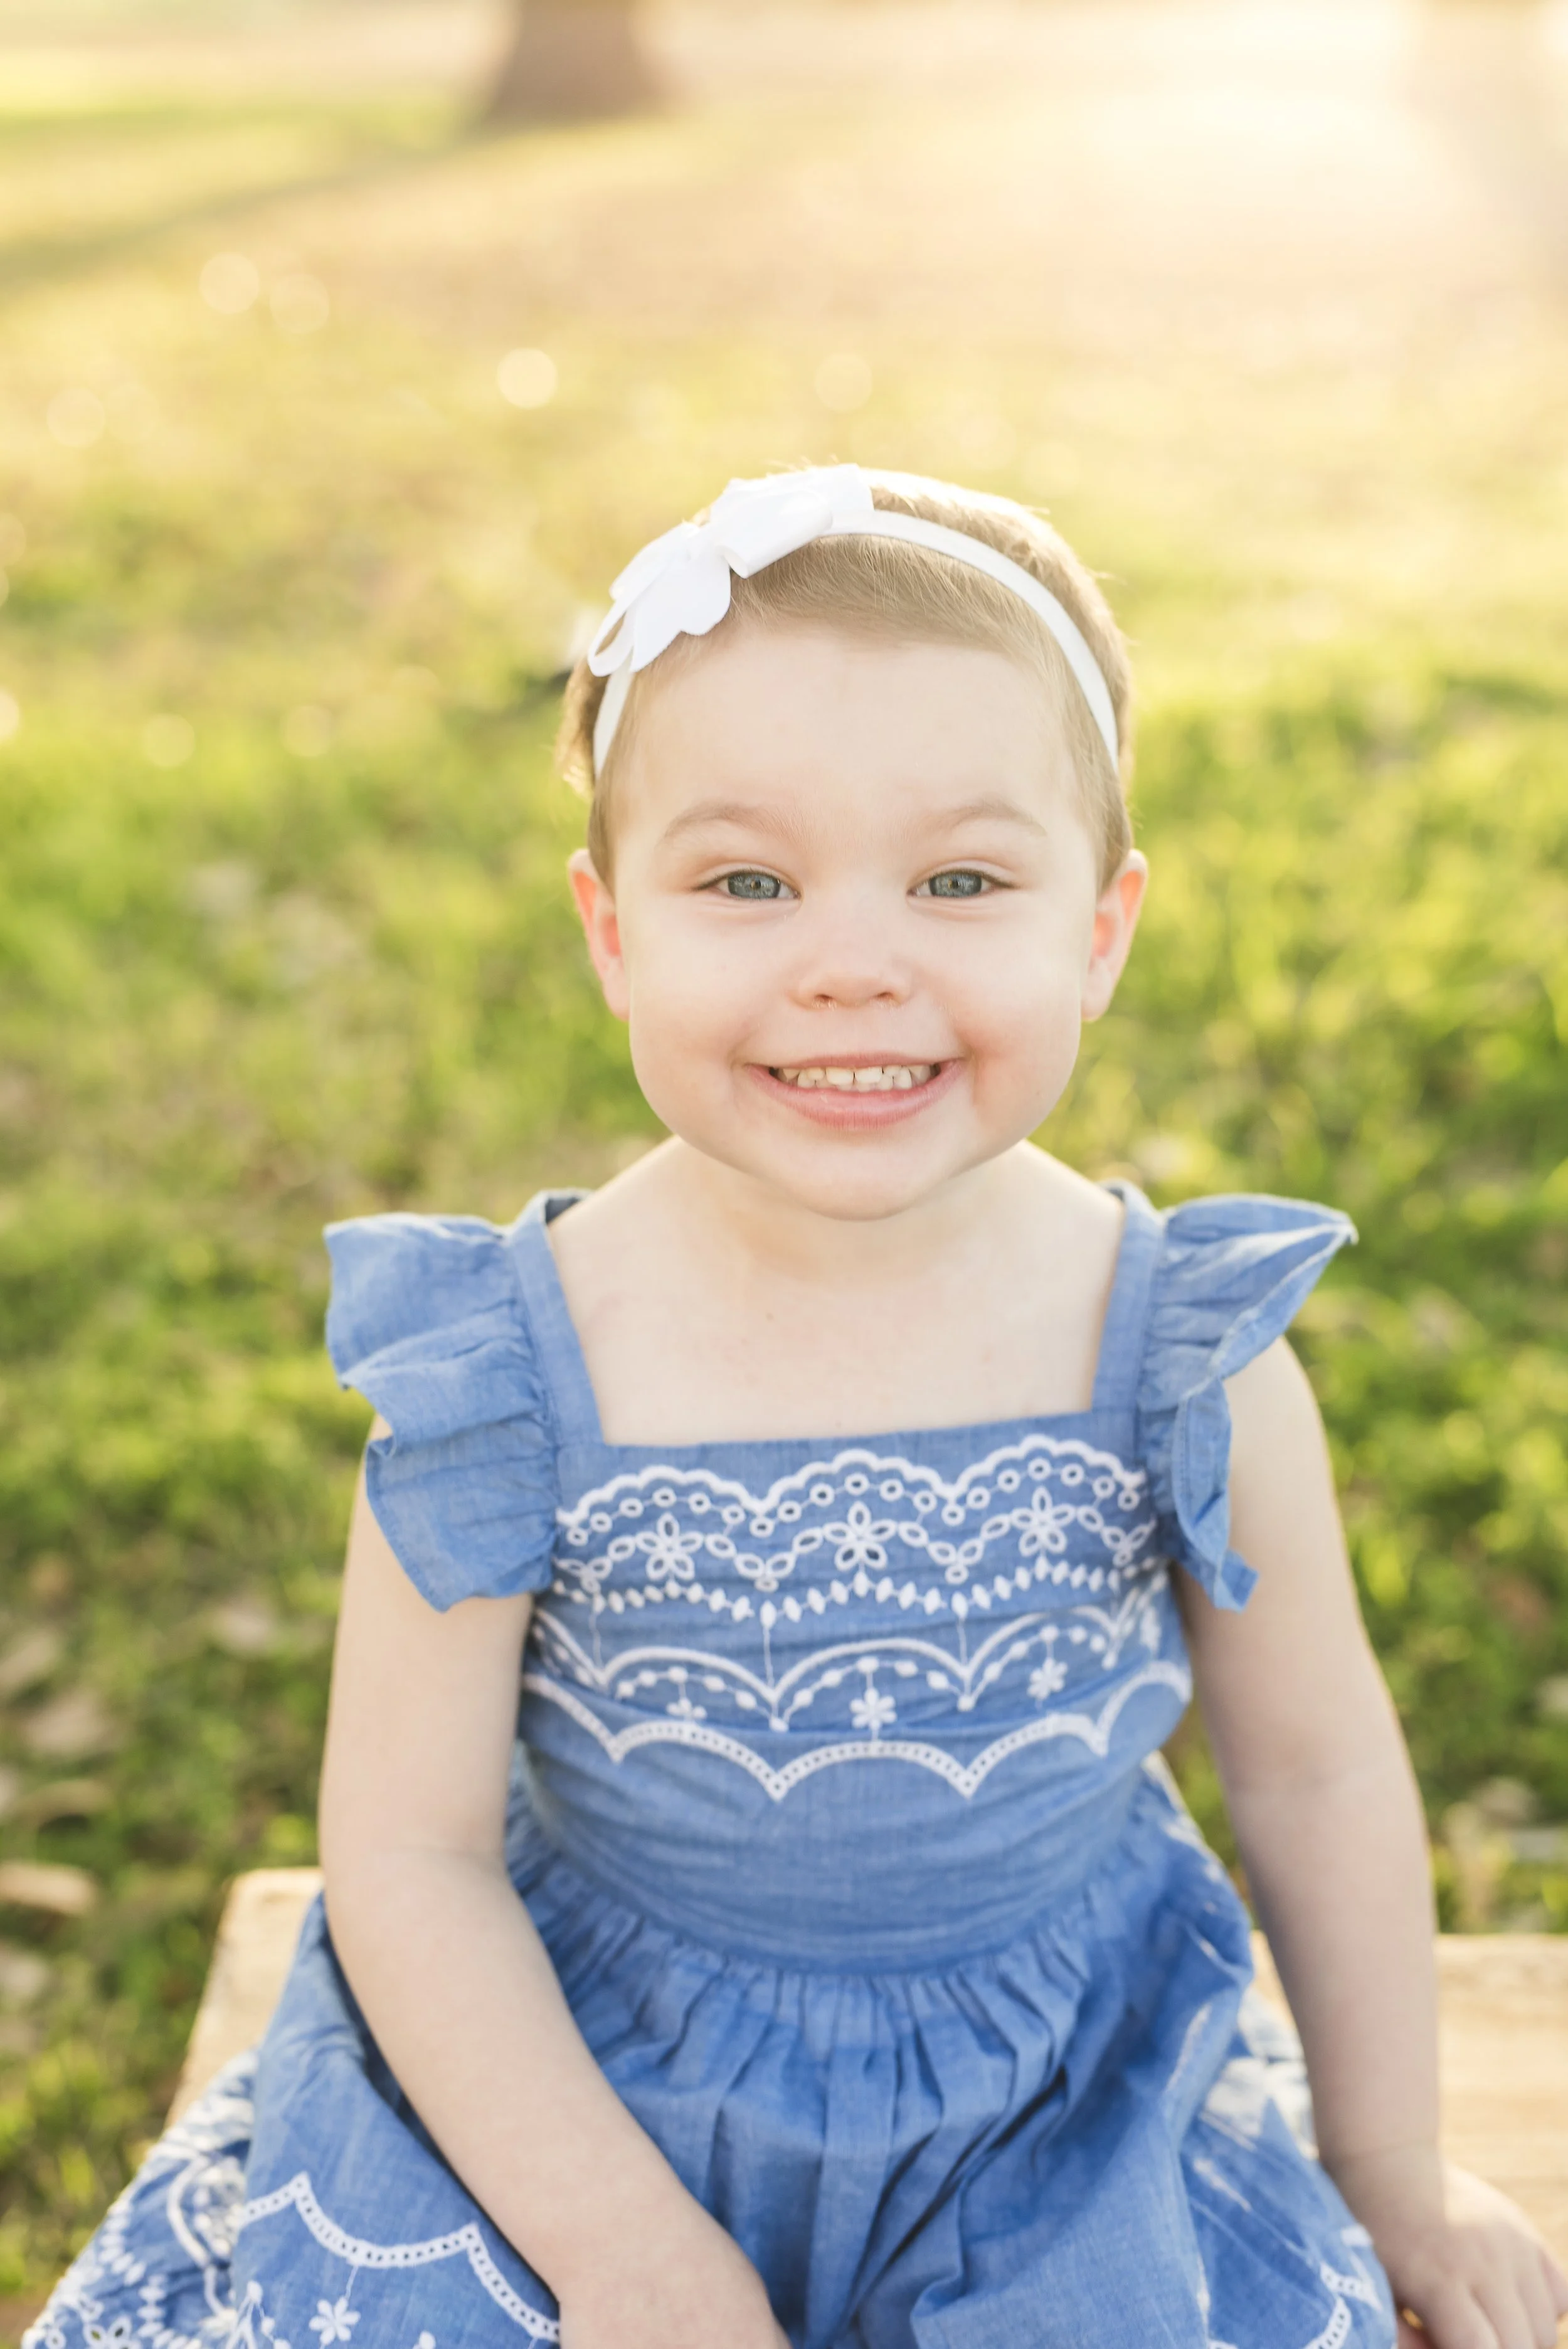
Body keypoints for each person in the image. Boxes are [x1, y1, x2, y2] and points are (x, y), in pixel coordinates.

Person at [30, 466, 1567, 2349]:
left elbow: (1315, 1765)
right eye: (746, 881)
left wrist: (1392, 2164)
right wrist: (620, 2251)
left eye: (961, 880)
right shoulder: (504, 1368)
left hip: (1052, 2104)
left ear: (1100, 928)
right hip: (584, 2086)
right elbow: (412, 1858)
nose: (853, 957)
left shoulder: (1177, 1344)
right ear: (610, 929)